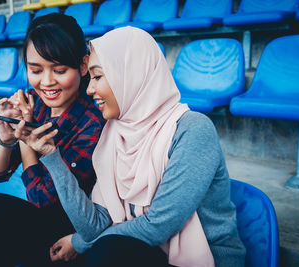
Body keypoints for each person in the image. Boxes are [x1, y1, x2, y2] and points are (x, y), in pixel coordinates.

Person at [18, 26, 246, 267]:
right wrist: (52, 156)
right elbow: (93, 225)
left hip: (204, 259)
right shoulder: (113, 134)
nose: (90, 89)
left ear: (130, 75)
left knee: (108, 252)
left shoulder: (193, 129)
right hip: (140, 251)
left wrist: (82, 243)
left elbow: (159, 226)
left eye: (97, 77)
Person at [0, 13, 105, 267]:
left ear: (83, 65)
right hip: (42, 218)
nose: (46, 82)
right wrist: (8, 137)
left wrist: (24, 140)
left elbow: (43, 198)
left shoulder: (93, 123)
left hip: (73, 235)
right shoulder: (34, 101)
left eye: (59, 70)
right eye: (35, 70)